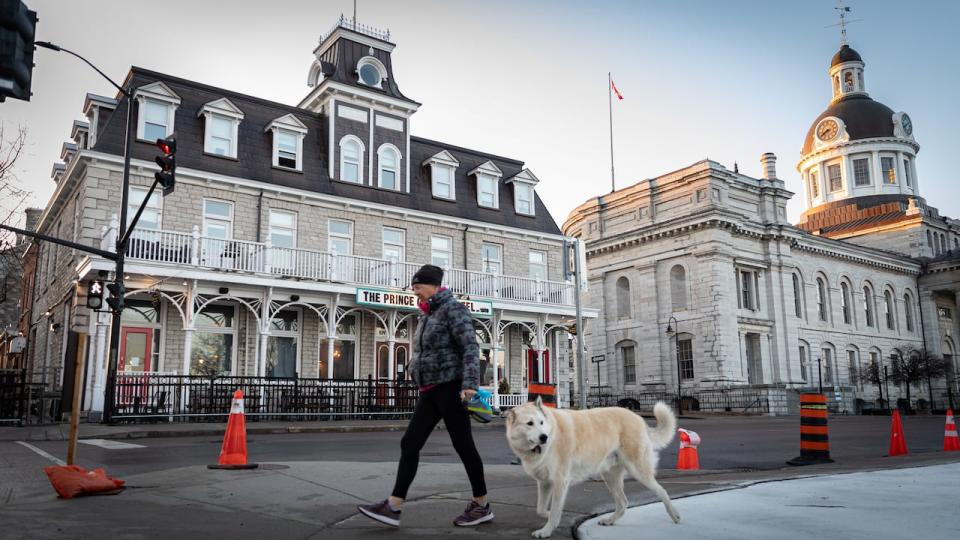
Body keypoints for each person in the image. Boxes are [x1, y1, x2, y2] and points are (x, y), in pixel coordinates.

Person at [358, 264, 493, 528]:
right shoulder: (427, 314)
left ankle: (482, 504)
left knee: (464, 446)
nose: (414, 291)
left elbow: (469, 347)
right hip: (430, 389)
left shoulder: (453, 309)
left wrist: (469, 385)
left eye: (418, 286)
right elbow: (424, 351)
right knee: (410, 443)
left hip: (451, 386)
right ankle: (393, 506)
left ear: (432, 285)